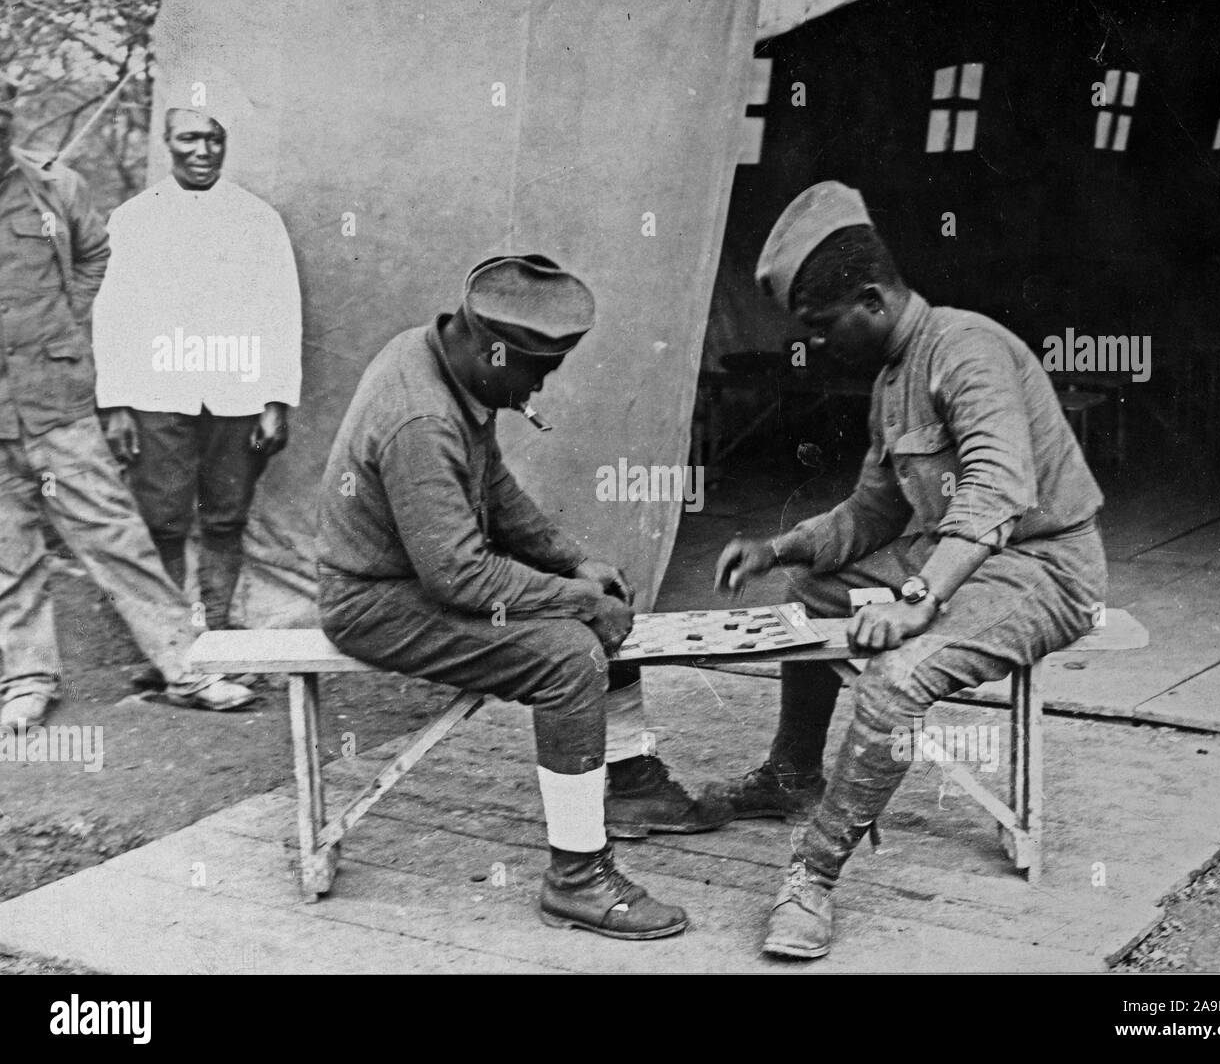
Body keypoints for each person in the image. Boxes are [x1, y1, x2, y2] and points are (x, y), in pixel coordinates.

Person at [713, 182, 1107, 959]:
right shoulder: (892, 381)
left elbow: (997, 488)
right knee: (813, 591)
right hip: (958, 555)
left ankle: (813, 874)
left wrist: (918, 598)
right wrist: (779, 547)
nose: (817, 345)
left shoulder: (967, 348)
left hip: (1044, 566)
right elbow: (874, 510)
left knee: (899, 674)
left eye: (822, 327)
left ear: (871, 298)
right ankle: (793, 772)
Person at [316, 254, 730, 940]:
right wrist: (578, 600)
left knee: (598, 596)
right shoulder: (421, 417)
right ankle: (577, 876)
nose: (541, 385)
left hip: (413, 578)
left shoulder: (440, 357)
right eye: (539, 371)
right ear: (493, 350)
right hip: (373, 601)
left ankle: (630, 784)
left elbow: (494, 490)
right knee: (570, 655)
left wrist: (575, 564)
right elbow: (458, 575)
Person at [0, 88, 254, 727]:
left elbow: (95, 253)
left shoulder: (56, 187)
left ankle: (186, 666)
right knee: (8, 550)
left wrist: (66, 322)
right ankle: (26, 679)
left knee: (116, 536)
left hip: (55, 401)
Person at [94, 80, 301, 634]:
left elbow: (281, 310)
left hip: (236, 390)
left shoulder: (257, 219)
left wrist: (275, 400)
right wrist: (115, 403)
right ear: (167, 141)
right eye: (189, 138)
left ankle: (219, 631)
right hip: (157, 389)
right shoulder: (133, 218)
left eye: (214, 139)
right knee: (162, 518)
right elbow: (112, 315)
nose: (203, 151)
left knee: (226, 517)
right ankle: (171, 642)